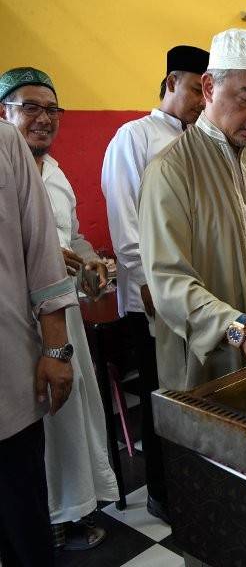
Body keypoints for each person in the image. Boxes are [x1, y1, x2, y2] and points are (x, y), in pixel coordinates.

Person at [139, 28, 246, 394]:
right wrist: (239, 330)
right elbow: (168, 284)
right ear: (209, 87)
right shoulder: (171, 171)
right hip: (205, 369)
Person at [0, 68, 118, 551]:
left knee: (67, 421)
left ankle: (70, 510)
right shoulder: (9, 161)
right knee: (28, 428)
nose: (43, 119)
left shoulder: (56, 172)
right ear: (5, 113)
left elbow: (73, 239)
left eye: (52, 109)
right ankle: (43, 518)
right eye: (30, 107)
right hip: (17, 325)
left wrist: (89, 262)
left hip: (61, 324)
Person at [102, 44, 208, 522]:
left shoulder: (197, 139)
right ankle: (163, 493)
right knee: (158, 392)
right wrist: (147, 283)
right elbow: (124, 219)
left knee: (191, 390)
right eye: (193, 89)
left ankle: (195, 485)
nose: (201, 101)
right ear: (169, 83)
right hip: (151, 295)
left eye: (206, 91)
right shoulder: (134, 137)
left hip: (192, 291)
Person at [0, 117, 76, 567]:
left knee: (23, 522)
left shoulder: (5, 141)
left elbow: (42, 249)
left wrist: (55, 350)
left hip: (8, 375)